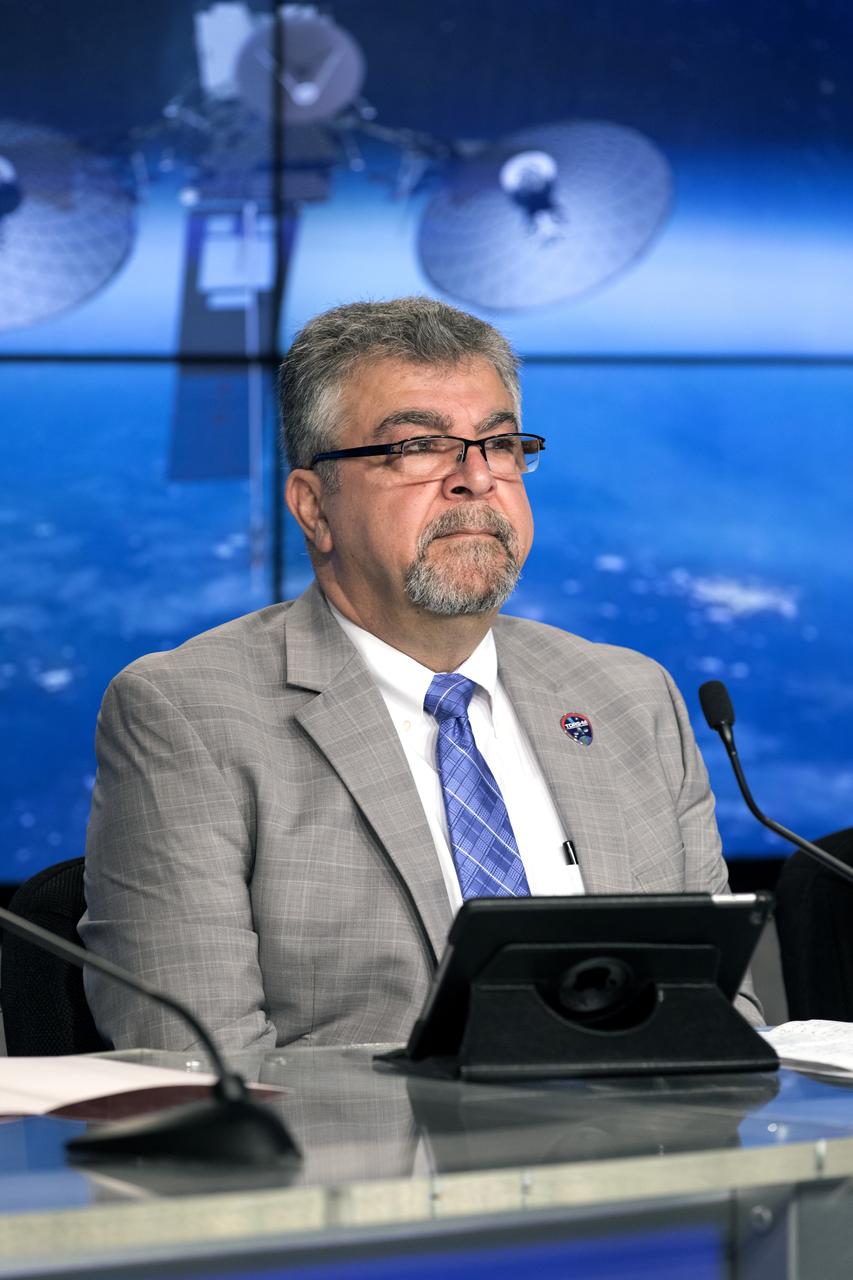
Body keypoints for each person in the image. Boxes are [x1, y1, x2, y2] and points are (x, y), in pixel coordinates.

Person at [81, 297, 762, 1049]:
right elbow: (201, 1070)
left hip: (642, 1154)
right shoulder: (187, 713)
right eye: (417, 447)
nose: (476, 479)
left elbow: (720, 1021)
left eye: (499, 444)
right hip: (363, 1165)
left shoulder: (630, 695)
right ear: (313, 508)